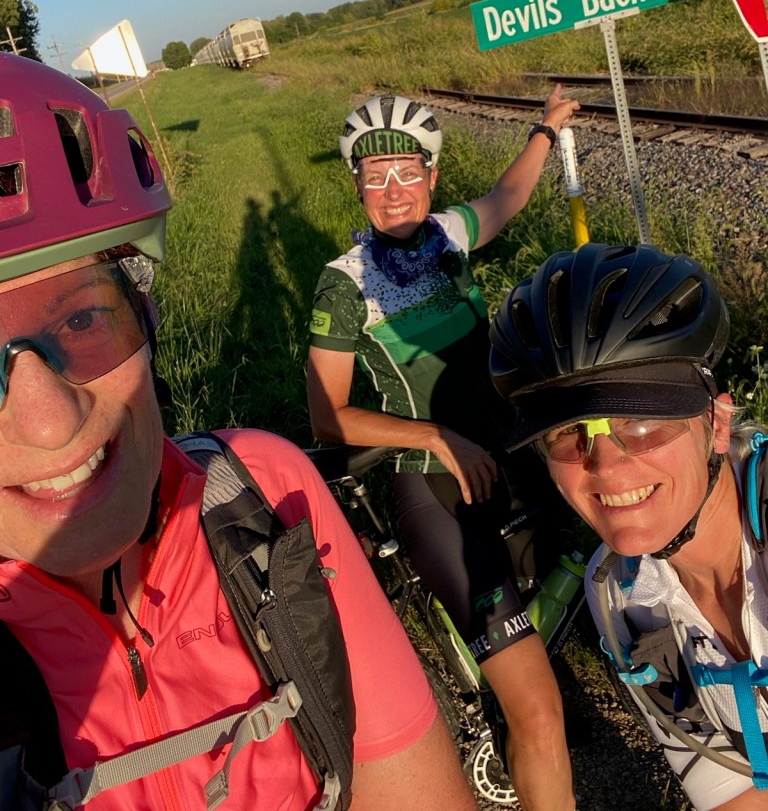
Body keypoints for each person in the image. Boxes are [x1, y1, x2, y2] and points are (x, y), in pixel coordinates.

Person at [0, 53, 479, 811]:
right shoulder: (342, 284)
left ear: (146, 318)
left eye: (85, 317)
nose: (51, 421)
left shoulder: (264, 493)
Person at [307, 89, 581, 811]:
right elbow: (327, 415)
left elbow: (508, 197)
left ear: (431, 176)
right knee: (540, 713)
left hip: (507, 452)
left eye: (407, 173)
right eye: (376, 177)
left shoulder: (449, 235)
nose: (393, 191)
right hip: (434, 488)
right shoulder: (343, 283)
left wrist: (546, 127)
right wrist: (432, 433)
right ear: (357, 186)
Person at [488, 240, 768, 810]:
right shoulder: (617, 595)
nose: (606, 466)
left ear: (716, 424)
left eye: (640, 420)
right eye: (568, 432)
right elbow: (731, 788)